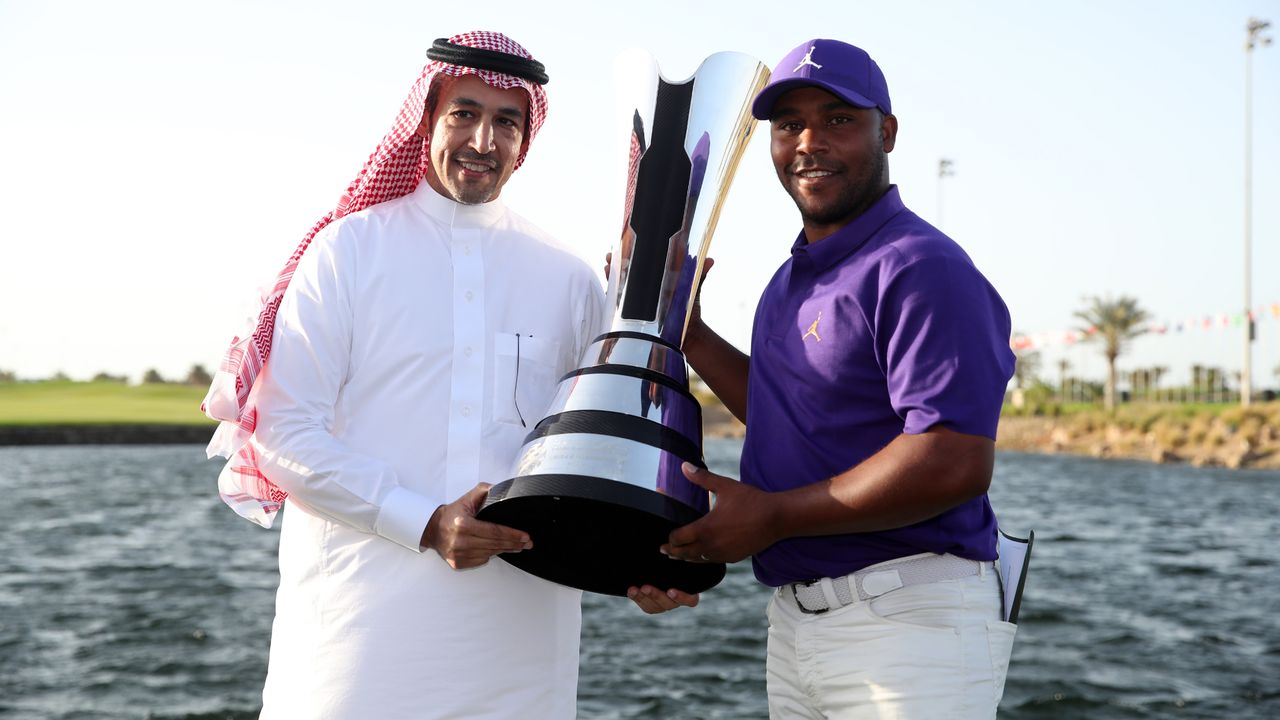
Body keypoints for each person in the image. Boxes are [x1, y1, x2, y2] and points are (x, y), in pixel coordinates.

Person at [201, 31, 606, 719]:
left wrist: (646, 564)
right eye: (464, 113)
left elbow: (589, 455)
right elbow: (283, 434)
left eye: (507, 121)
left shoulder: (568, 279)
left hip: (521, 644)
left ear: (526, 137)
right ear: (427, 119)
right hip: (356, 632)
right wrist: (424, 522)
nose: (483, 139)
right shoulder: (348, 253)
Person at [628, 38, 1018, 718]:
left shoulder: (921, 265)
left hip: (909, 621)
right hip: (797, 623)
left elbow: (954, 460)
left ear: (886, 131)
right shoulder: (790, 278)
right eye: (788, 125)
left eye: (837, 118)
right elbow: (793, 414)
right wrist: (685, 330)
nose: (809, 141)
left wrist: (771, 518)